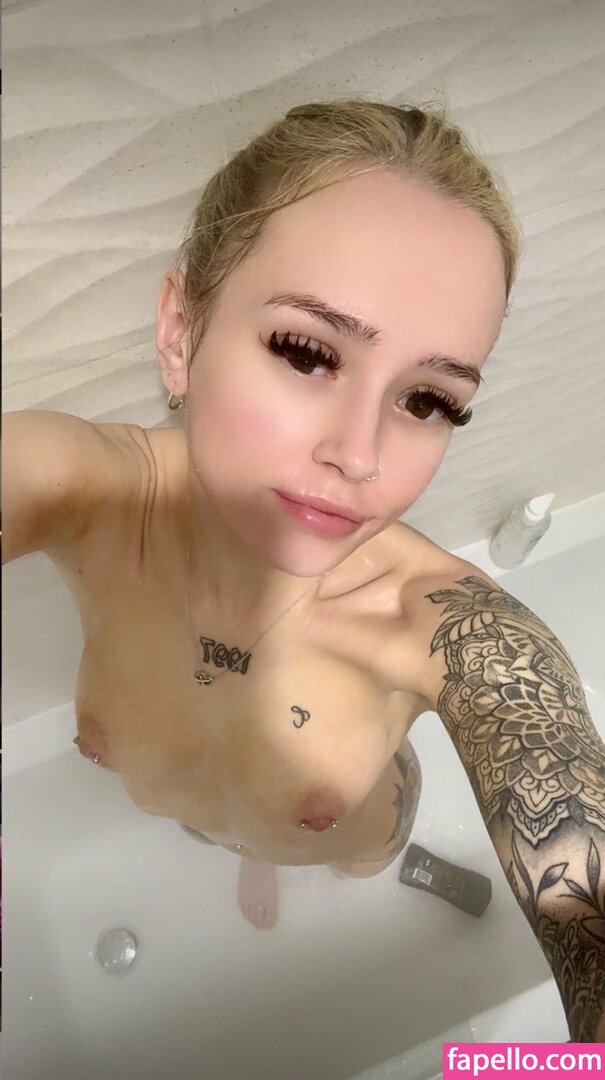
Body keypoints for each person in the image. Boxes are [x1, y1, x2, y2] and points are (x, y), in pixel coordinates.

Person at [3, 98, 604, 1042]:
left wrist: (507, 1069)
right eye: (306, 352)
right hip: (193, 811)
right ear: (180, 330)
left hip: (359, 838)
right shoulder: (90, 498)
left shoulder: (443, 627)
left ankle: (325, 854)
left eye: (428, 401)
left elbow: (547, 764)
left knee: (343, 847)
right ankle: (255, 845)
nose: (359, 455)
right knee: (231, 822)